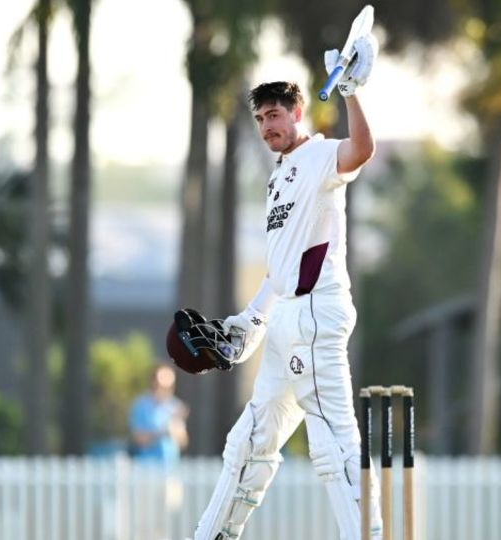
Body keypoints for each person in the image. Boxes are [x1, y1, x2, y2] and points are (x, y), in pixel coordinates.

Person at [192, 33, 382, 540]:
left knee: (333, 446)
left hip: (316, 314)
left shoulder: (319, 156)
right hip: (285, 321)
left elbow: (362, 149)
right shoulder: (278, 177)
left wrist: (350, 92)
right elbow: (279, 269)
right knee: (249, 443)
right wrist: (248, 325)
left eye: (274, 115)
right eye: (259, 119)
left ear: (298, 112)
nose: (266, 127)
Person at [129, 363, 189, 467]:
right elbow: (138, 439)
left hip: (171, 467)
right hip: (146, 467)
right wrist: (163, 432)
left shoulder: (176, 406)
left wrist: (176, 428)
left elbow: (183, 442)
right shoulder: (141, 405)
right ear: (153, 381)